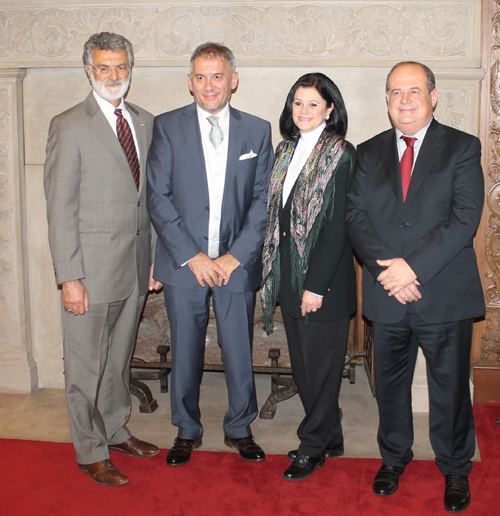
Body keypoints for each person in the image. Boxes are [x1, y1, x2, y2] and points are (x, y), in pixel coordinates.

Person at [346, 61, 485, 513]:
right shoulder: (366, 154)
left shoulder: (462, 148)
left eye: (413, 91)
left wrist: (413, 269)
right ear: (386, 100)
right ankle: (393, 459)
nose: (404, 100)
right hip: (388, 293)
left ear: (433, 96)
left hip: (442, 293)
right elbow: (355, 218)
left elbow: (464, 219)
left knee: (449, 388)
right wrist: (390, 272)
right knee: (389, 386)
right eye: (395, 92)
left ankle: (455, 468)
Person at [146, 42, 274, 466]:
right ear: (189, 82)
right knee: (185, 348)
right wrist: (193, 256)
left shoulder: (257, 130)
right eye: (200, 76)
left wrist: (234, 256)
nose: (209, 85)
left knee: (238, 346)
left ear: (233, 79)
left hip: (236, 263)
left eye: (217, 75)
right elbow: (158, 198)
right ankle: (186, 429)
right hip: (185, 264)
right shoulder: (166, 127)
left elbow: (263, 201)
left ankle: (240, 427)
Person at [44, 32, 161, 487]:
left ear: (130, 69)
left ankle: (114, 429)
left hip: (134, 269)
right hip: (89, 273)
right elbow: (59, 209)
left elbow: (147, 202)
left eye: (120, 67)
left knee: (117, 361)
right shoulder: (69, 124)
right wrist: (69, 277)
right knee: (84, 366)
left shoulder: (146, 122)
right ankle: (90, 449)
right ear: (88, 71)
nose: (113, 76)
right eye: (103, 68)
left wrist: (152, 259)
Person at [261, 73, 356, 481]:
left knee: (320, 368)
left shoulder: (341, 153)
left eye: (313, 104)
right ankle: (330, 437)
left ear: (330, 109)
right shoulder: (284, 151)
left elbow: (337, 227)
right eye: (298, 103)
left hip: (324, 285)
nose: (304, 111)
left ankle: (312, 446)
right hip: (289, 278)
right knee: (304, 368)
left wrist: (315, 285)